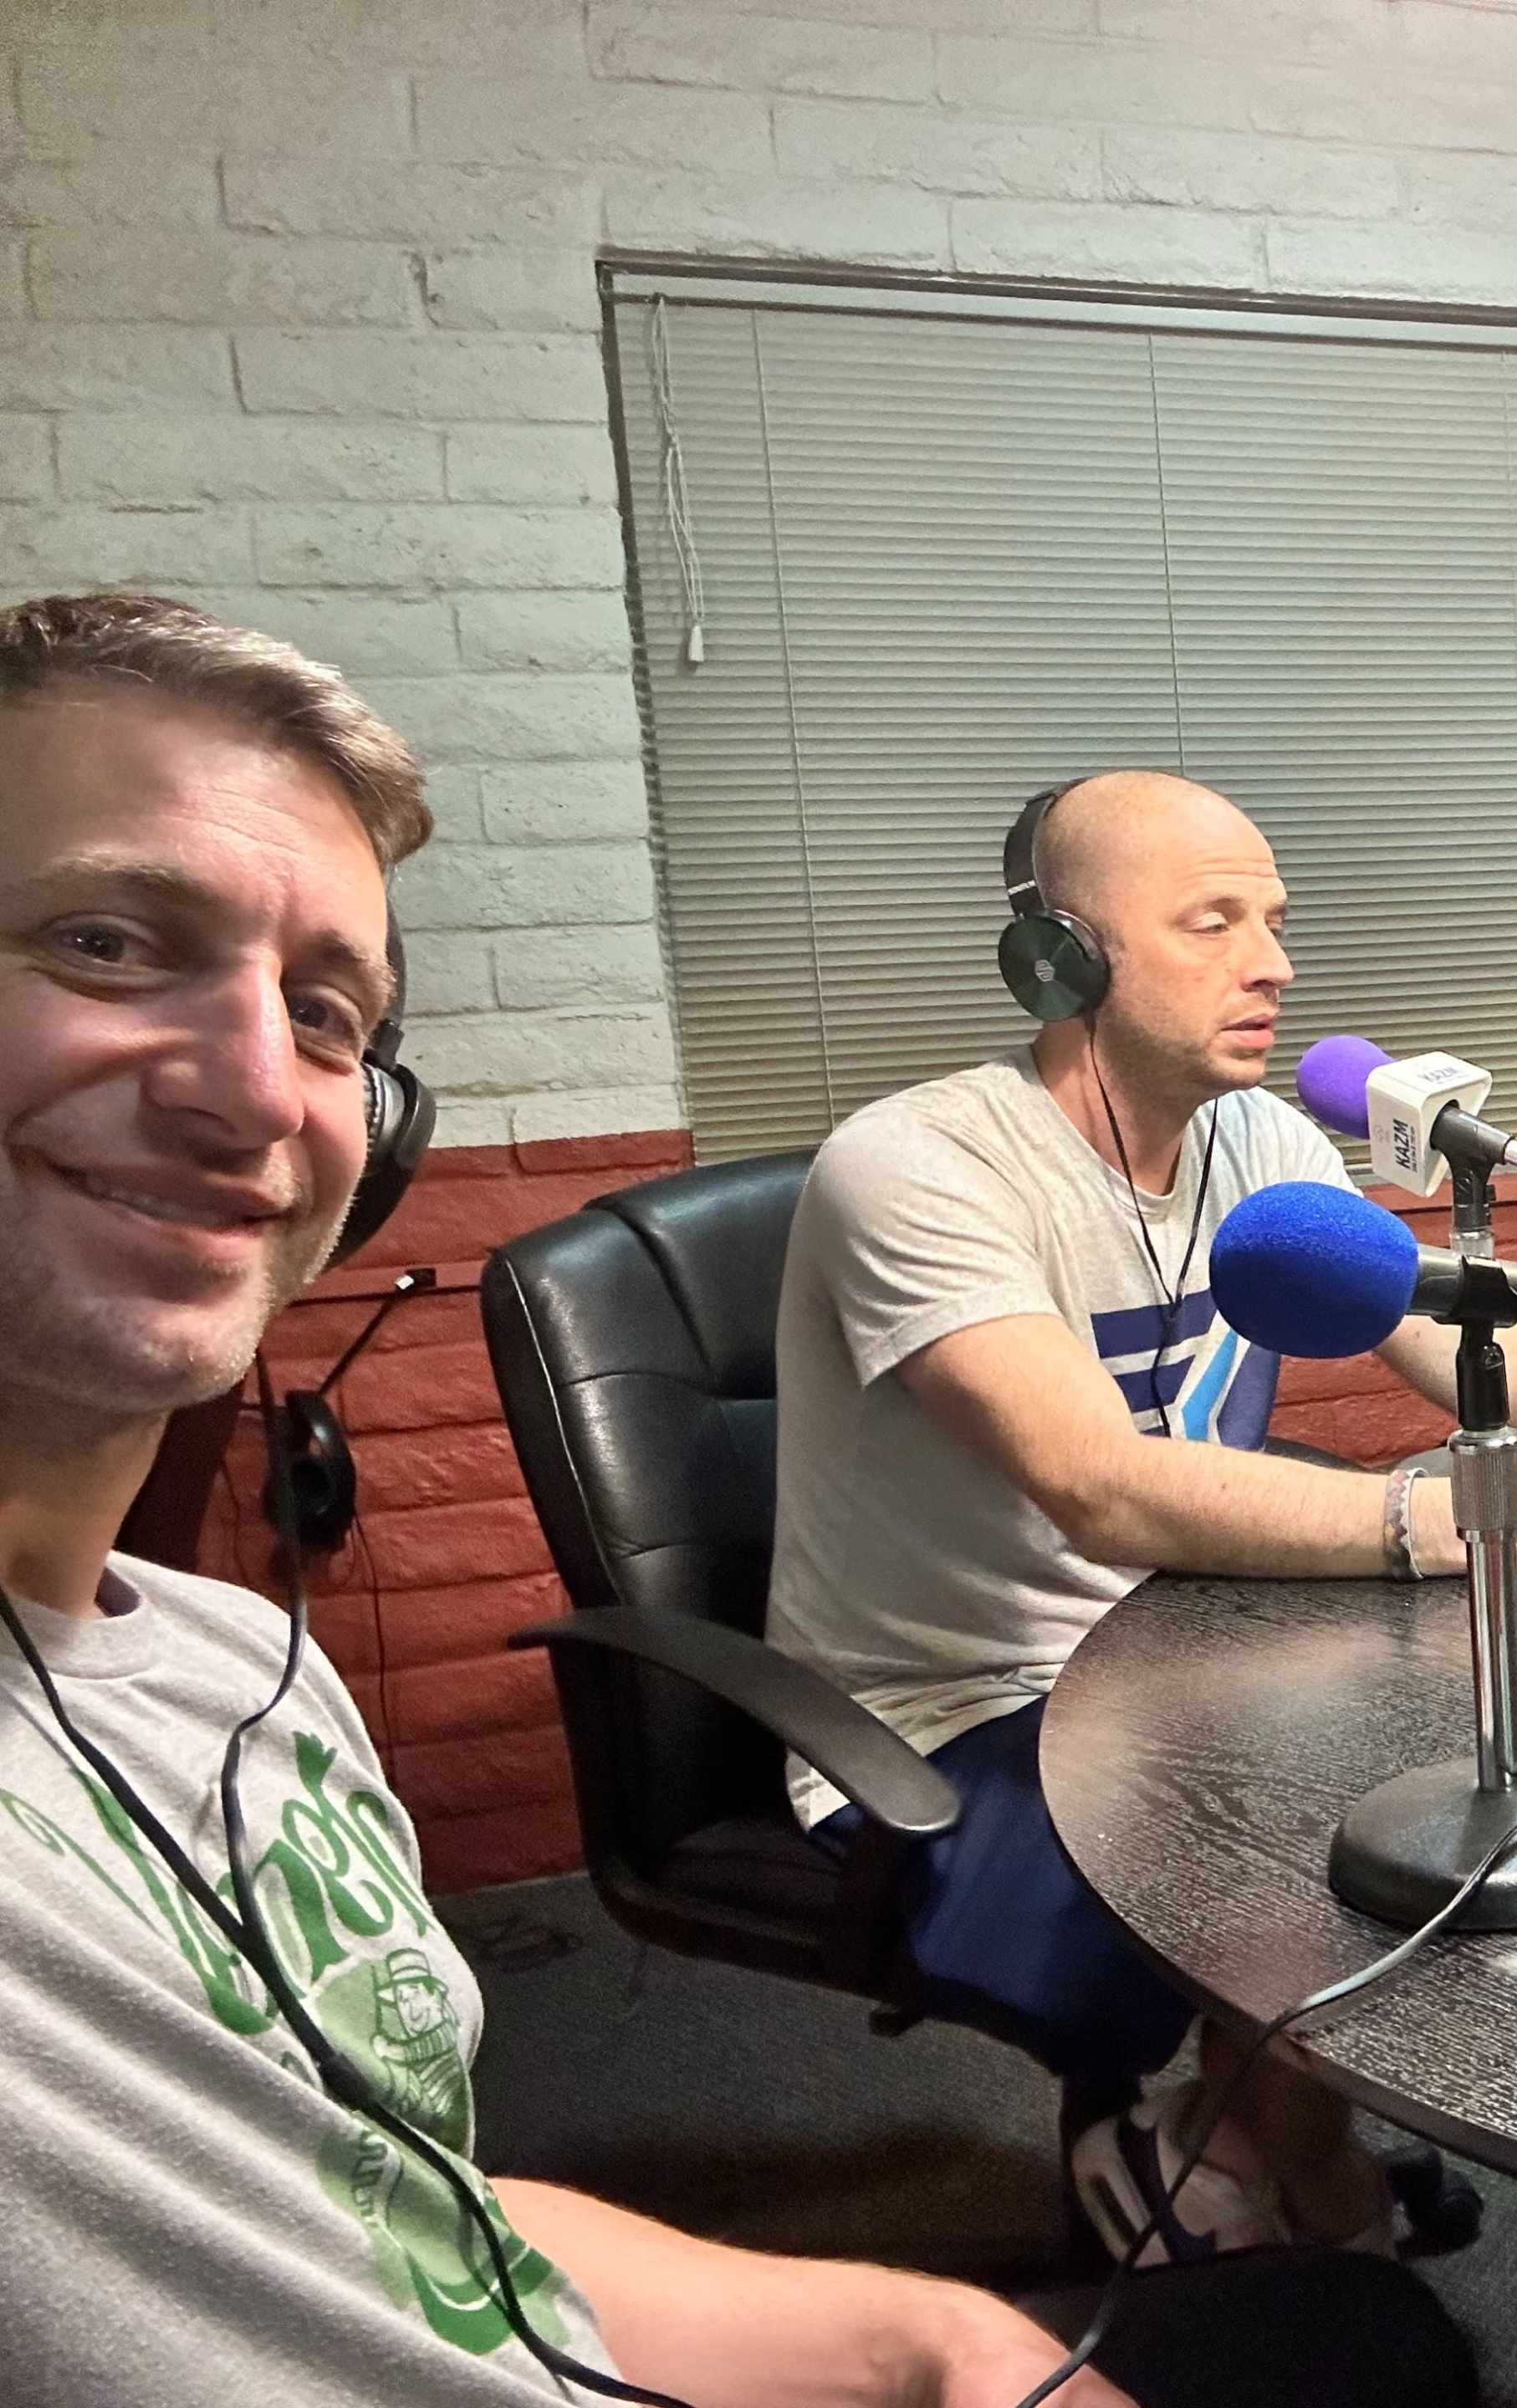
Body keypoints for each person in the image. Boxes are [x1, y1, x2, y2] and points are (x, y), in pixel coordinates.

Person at [0, 592, 1121, 2406]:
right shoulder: (928, 1166)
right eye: (108, 941)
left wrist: (938, 2339)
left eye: (326, 1011)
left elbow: (403, 2233)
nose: (250, 1093)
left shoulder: (238, 1682)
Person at [769, 768, 1517, 2263]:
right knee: (1342, 1832)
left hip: (1191, 1648)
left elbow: (1447, 1336)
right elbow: (1098, 1484)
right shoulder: (916, 1169)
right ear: (1061, 956)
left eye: (1276, 918)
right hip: (958, 1714)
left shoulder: (1260, 1147)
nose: (1277, 963)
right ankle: (1212, 2142)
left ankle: (1266, 2126)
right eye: (1215, 920)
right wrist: (1463, 1518)